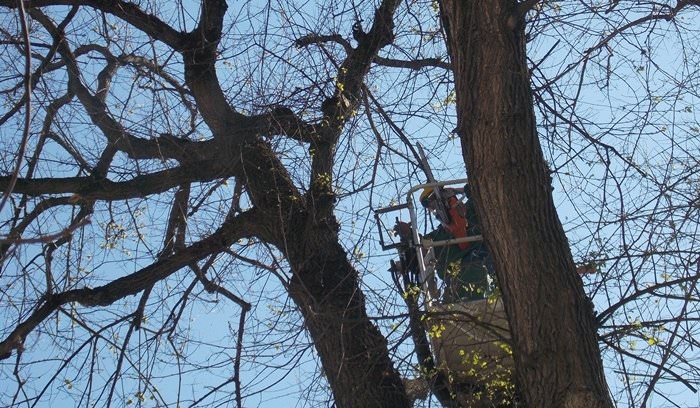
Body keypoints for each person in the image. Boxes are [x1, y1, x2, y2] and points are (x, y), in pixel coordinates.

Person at [396, 184, 493, 302]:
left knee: (476, 266)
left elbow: (477, 189)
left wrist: (455, 191)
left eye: (436, 201)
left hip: (487, 265)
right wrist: (408, 235)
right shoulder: (439, 236)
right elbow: (420, 248)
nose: (436, 209)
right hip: (460, 288)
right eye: (432, 206)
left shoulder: (473, 210)